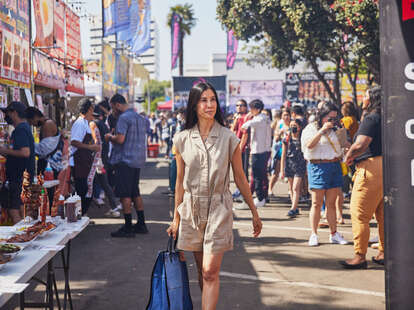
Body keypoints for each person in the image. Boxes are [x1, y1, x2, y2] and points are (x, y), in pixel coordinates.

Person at [167, 82, 262, 310]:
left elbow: (240, 177)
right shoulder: (181, 139)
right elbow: (179, 182)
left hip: (219, 207)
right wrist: (176, 218)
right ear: (194, 104)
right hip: (191, 209)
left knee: (210, 271)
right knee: (202, 272)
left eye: (213, 100)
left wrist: (254, 212)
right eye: (203, 100)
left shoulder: (229, 138)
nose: (209, 105)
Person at [340, 86, 384, 269]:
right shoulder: (388, 117)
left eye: (365, 96)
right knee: (383, 215)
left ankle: (359, 256)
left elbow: (361, 144)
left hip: (370, 168)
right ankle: (384, 251)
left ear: (372, 99)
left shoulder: (371, 118)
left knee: (359, 214)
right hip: (387, 166)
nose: (362, 99)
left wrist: (348, 155)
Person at [301, 103, 348, 246]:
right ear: (322, 116)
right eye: (330, 118)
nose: (333, 121)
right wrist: (322, 131)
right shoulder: (311, 128)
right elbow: (309, 145)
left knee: (331, 203)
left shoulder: (337, 128)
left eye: (335, 118)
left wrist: (341, 133)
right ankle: (313, 234)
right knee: (316, 203)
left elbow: (344, 144)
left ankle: (334, 233)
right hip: (318, 165)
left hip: (334, 165)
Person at [105, 94, 148, 237]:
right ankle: (141, 224)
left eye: (112, 107)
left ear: (117, 105)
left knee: (125, 194)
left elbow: (120, 139)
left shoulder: (123, 118)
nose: (112, 111)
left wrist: (109, 137)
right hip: (137, 160)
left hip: (125, 160)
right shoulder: (140, 118)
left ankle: (128, 227)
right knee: (135, 192)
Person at [0, 102, 35, 224]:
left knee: (15, 211)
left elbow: (25, 152)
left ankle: (21, 239)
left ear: (14, 113)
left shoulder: (20, 129)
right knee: (22, 209)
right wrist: (6, 152)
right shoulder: (24, 128)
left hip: (19, 177)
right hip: (22, 177)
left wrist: (5, 150)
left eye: (7, 113)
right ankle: (26, 236)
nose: (5, 116)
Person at [25, 106, 63, 208]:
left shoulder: (47, 124)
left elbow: (43, 150)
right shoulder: (46, 124)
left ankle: (48, 214)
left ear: (36, 116)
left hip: (50, 166)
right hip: (50, 165)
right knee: (45, 191)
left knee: (47, 191)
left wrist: (27, 145)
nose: (32, 124)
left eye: (31, 121)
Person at [70, 99, 100, 216]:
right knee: (82, 190)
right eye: (92, 109)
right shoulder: (79, 123)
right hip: (78, 162)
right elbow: (74, 142)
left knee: (86, 189)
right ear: (89, 109)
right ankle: (79, 216)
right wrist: (91, 147)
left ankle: (81, 215)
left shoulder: (85, 123)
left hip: (84, 162)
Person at [241, 100, 272, 208]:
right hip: (262, 150)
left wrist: (246, 119)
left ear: (257, 109)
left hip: (259, 151)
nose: (250, 111)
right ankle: (261, 197)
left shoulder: (260, 119)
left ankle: (260, 198)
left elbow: (245, 125)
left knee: (257, 175)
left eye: (252, 109)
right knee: (260, 175)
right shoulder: (264, 118)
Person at [92, 105, 121, 218]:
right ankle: (113, 207)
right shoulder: (103, 124)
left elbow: (96, 141)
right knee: (104, 183)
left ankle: (113, 207)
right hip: (103, 157)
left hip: (98, 158)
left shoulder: (94, 124)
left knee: (100, 182)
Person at [280, 119, 306, 217]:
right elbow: (283, 155)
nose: (292, 128)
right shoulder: (286, 138)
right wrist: (282, 170)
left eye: (294, 125)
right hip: (289, 164)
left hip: (300, 164)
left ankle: (293, 208)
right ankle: (294, 207)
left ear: (299, 127)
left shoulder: (303, 138)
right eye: (291, 125)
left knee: (295, 187)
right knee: (291, 187)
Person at [230, 99, 251, 201]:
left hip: (243, 148)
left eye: (242, 105)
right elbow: (233, 130)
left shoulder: (247, 117)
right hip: (236, 148)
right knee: (237, 171)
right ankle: (239, 191)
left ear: (246, 107)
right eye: (237, 105)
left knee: (243, 172)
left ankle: (244, 193)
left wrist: (240, 148)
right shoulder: (237, 117)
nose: (239, 107)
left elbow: (245, 134)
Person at [268, 108, 290, 197]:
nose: (286, 117)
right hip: (280, 150)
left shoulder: (293, 124)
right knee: (276, 172)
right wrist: (280, 133)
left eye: (287, 115)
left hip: (290, 150)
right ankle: (270, 189)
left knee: (290, 172)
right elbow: (276, 138)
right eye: (284, 115)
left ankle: (290, 190)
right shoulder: (280, 124)